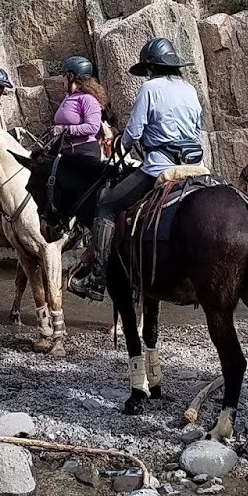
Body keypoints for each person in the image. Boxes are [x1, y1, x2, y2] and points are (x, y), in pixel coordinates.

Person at [67, 37, 204, 302]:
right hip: (194, 166)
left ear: (151, 68)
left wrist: (122, 145)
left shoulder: (150, 88)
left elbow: (133, 133)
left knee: (106, 206)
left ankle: (96, 280)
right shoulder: (190, 89)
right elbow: (197, 131)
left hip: (159, 166)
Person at [50, 55, 107, 159]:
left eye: (64, 75)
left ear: (71, 76)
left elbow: (93, 127)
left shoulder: (88, 99)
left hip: (84, 151)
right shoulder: (69, 96)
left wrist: (66, 129)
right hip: (66, 149)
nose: (62, 79)